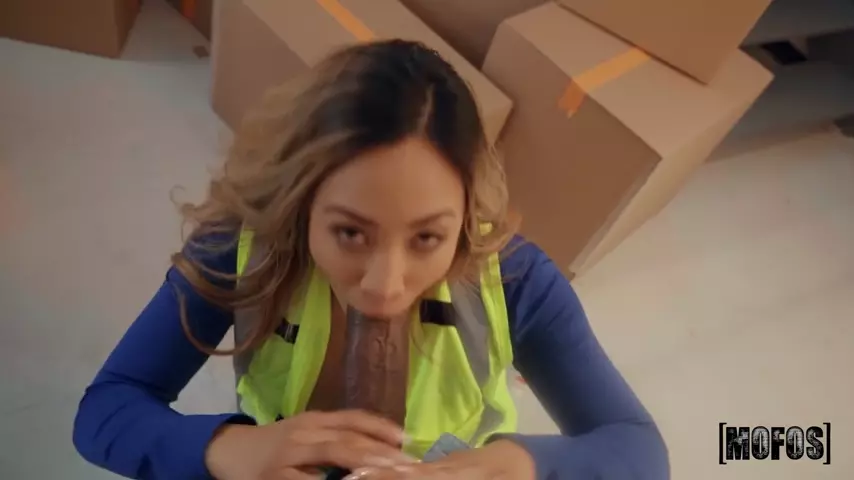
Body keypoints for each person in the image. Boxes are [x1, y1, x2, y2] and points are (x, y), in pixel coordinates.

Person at [73, 39, 669, 480]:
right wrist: (229, 449)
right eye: (351, 233)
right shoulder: (239, 251)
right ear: (301, 204)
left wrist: (515, 466)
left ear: (465, 216)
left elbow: (638, 449)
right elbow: (106, 408)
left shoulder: (516, 282)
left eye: (427, 238)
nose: (386, 286)